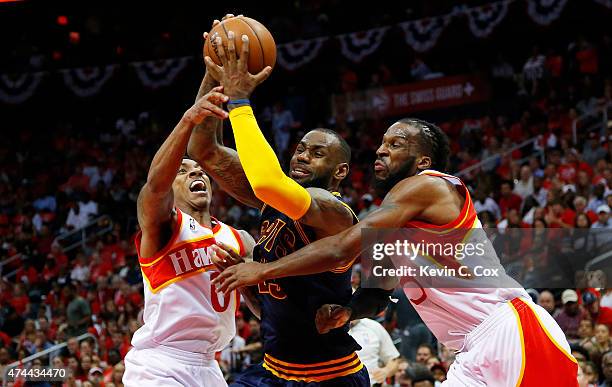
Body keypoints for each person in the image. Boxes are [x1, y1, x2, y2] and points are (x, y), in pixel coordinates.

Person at [214, 118, 578, 385]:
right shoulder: (394, 223)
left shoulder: (429, 186)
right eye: (383, 142)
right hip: (471, 349)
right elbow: (376, 293)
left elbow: (342, 247)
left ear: (422, 161)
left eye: (397, 143)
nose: (382, 149)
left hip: (510, 331)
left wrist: (261, 270)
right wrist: (348, 311)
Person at [190, 22, 374, 385]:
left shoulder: (334, 211)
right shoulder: (274, 201)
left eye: (317, 154)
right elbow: (204, 149)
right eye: (301, 148)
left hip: (329, 376)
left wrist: (240, 99)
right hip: (273, 370)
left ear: (339, 172)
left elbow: (266, 182)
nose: (302, 156)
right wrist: (214, 76)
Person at [122, 25, 257, 386]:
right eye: (184, 171)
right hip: (159, 363)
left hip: (210, 366)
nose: (195, 171)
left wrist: (214, 69)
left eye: (199, 170)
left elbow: (262, 305)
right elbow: (155, 185)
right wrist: (190, 117)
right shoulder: (163, 226)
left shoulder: (240, 239)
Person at [348, 317, 400, 386]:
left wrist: (386, 371)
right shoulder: (330, 328)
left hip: (373, 383)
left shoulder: (373, 326)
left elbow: (394, 360)